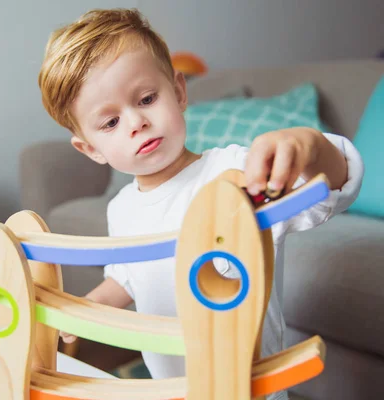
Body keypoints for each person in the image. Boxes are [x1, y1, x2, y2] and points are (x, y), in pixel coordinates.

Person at [37, 8, 364, 400]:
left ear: (178, 92)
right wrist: (86, 308)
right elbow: (129, 276)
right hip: (174, 388)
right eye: (110, 123)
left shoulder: (236, 174)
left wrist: (308, 145)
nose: (135, 122)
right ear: (91, 149)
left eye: (146, 98)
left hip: (248, 389)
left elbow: (334, 187)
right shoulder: (121, 208)